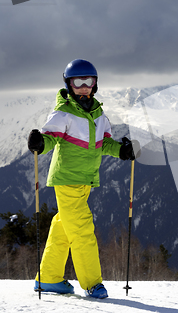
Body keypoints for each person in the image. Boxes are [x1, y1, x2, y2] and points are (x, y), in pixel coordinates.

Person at [27, 59, 138, 298]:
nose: (84, 87)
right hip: (67, 179)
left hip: (85, 180)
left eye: (89, 81)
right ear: (69, 84)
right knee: (82, 229)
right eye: (79, 82)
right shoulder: (63, 113)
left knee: (63, 228)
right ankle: (92, 283)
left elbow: (104, 143)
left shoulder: (99, 114)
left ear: (95, 84)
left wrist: (121, 150)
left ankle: (48, 278)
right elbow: (50, 139)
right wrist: (39, 143)